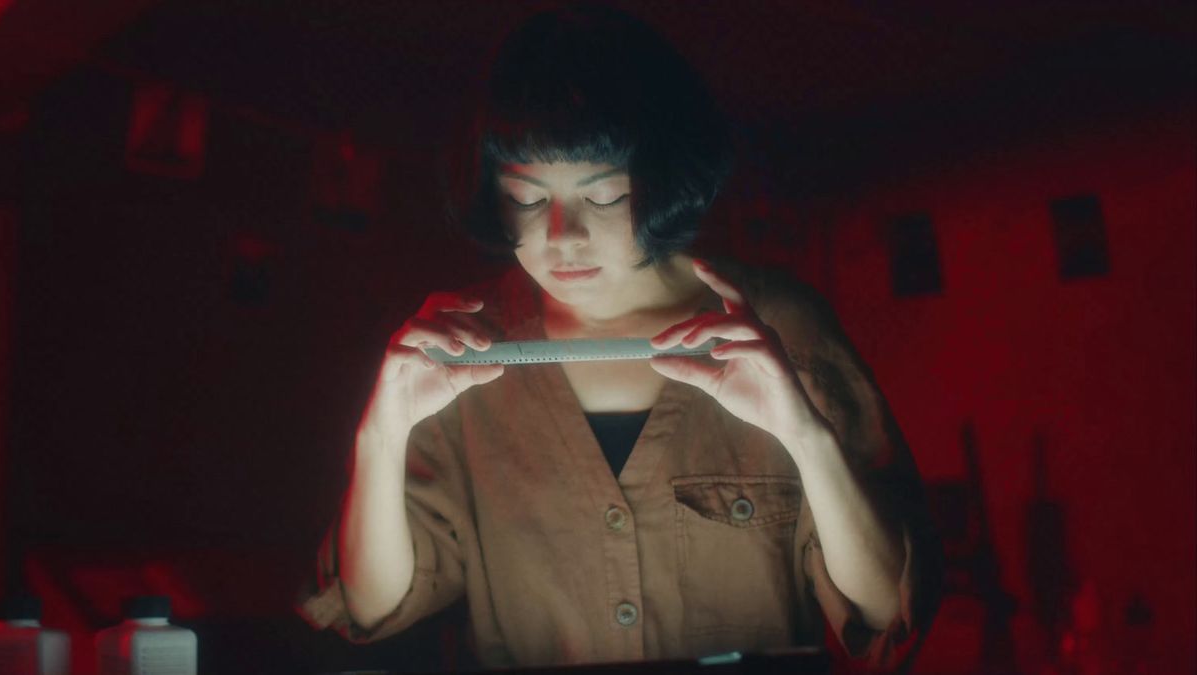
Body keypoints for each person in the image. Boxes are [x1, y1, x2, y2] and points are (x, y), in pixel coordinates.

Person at [298, 4, 938, 669]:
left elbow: (885, 610)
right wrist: (381, 436)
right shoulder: (463, 344)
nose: (561, 236)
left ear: (663, 182)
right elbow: (370, 605)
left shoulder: (778, 325)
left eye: (602, 197)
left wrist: (807, 437)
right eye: (526, 197)